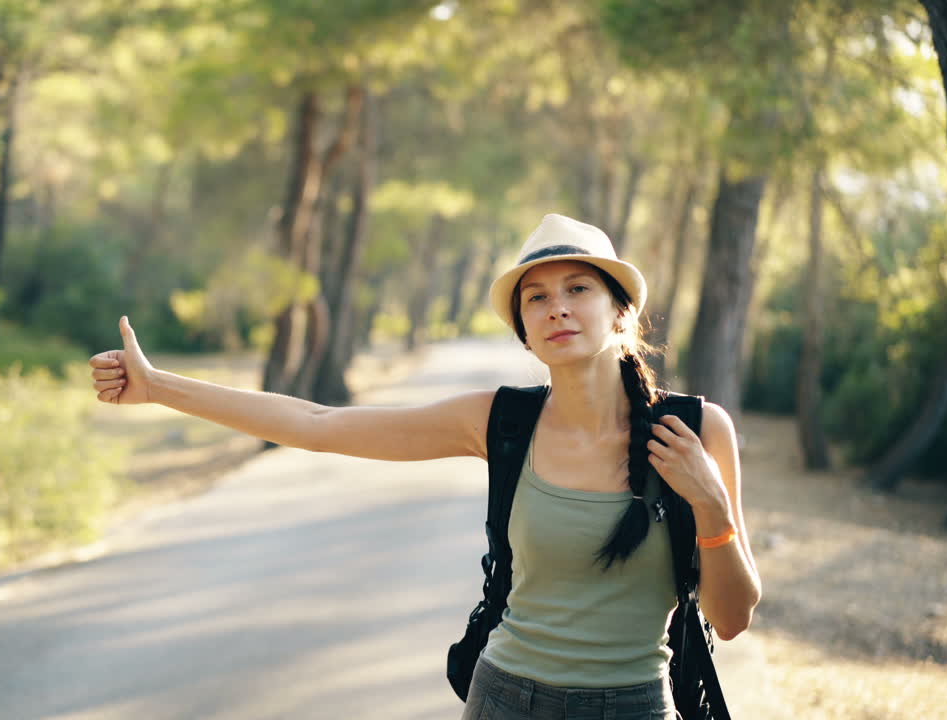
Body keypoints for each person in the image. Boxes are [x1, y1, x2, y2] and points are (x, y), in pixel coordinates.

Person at [88, 213, 761, 720]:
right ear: (524, 331)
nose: (557, 305)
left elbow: (731, 620)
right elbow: (318, 425)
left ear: (619, 311)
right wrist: (160, 388)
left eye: (578, 287)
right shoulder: (501, 422)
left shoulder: (697, 431)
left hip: (637, 706)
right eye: (537, 297)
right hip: (505, 699)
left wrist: (711, 507)